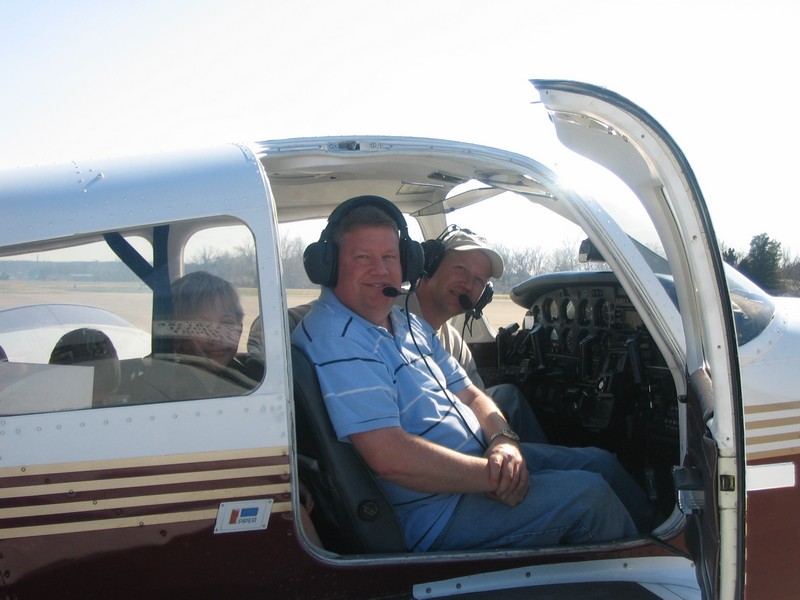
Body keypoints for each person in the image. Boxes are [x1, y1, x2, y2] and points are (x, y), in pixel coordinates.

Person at [292, 196, 655, 553]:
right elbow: (389, 457)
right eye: (362, 258)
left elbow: (471, 394)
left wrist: (503, 440)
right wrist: (492, 477)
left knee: (599, 463)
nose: (381, 270)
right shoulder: (338, 340)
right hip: (435, 513)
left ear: (407, 263)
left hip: (475, 466)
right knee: (590, 498)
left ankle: (665, 547)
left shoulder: (405, 322)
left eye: (389, 257)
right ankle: (652, 573)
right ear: (329, 265)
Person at [405, 226, 547, 443]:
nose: (468, 284)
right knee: (601, 466)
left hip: (472, 442)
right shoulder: (387, 316)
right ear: (429, 265)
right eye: (460, 268)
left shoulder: (453, 342)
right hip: (436, 449)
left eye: (479, 280)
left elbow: (476, 398)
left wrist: (503, 442)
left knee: (508, 396)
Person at [168, 271, 258, 386]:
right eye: (201, 326)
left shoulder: (250, 380)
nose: (216, 337)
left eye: (226, 323)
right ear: (176, 336)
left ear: (240, 329)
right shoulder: (163, 386)